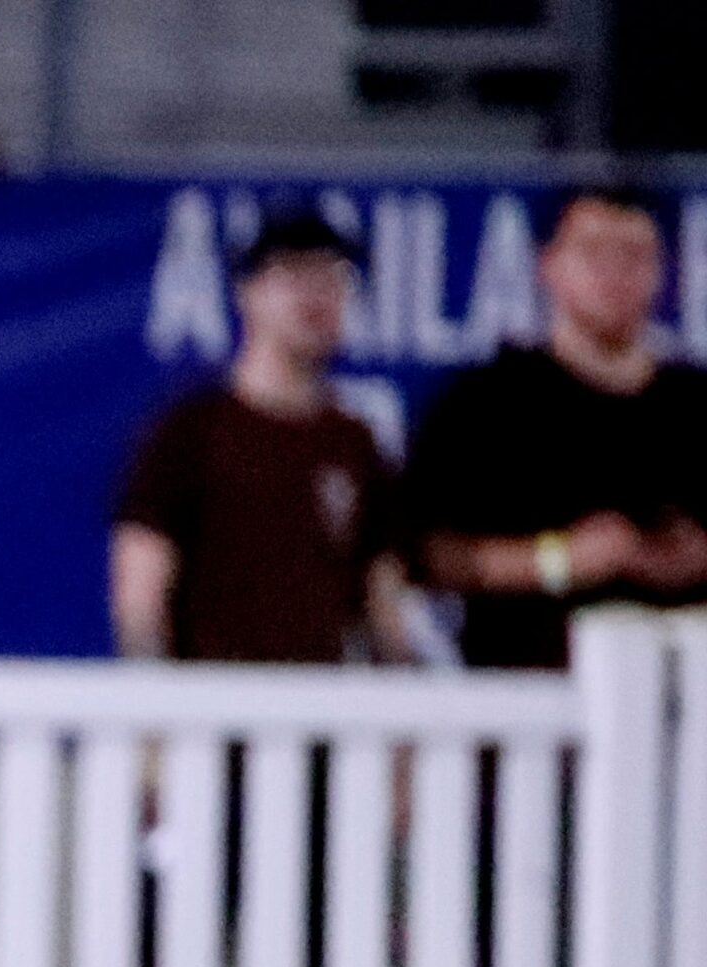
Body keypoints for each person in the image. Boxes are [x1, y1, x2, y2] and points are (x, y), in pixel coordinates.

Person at [404, 185, 707, 670]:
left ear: (664, 272)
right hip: (523, 704)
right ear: (548, 265)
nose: (613, 273)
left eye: (633, 254)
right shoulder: (485, 402)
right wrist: (561, 560)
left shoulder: (694, 405)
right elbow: (429, 556)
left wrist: (676, 559)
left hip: (680, 702)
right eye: (592, 252)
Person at [113, 210, 410, 665]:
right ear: (247, 291)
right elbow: (140, 597)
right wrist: (159, 717)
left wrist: (404, 715)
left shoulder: (354, 444)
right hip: (213, 718)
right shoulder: (191, 432)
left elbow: (382, 607)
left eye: (333, 277)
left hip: (322, 722)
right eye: (295, 273)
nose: (316, 294)